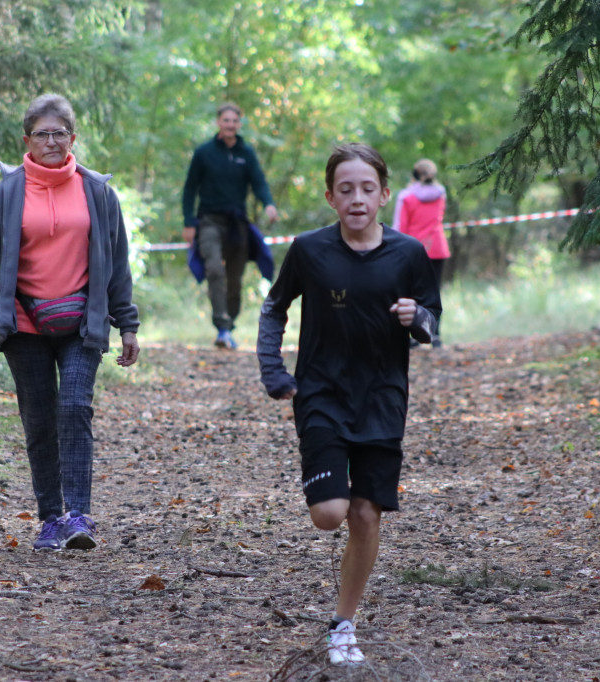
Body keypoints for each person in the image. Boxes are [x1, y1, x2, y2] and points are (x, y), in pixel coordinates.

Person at [257, 143, 441, 666]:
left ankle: (344, 624)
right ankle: (341, 618)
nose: (356, 198)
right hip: (321, 395)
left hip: (384, 399)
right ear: (330, 197)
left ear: (385, 194)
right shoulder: (310, 250)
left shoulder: (408, 254)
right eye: (345, 189)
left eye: (366, 188)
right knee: (329, 513)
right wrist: (274, 371)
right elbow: (274, 308)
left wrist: (417, 317)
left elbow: (433, 321)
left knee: (365, 513)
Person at [0, 93, 140, 552]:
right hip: (24, 324)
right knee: (39, 420)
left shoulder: (97, 192)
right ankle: (50, 519)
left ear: (73, 138)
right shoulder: (7, 192)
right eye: (42, 133)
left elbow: (117, 264)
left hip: (83, 323)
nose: (52, 141)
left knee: (75, 408)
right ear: (26, 140)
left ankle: (79, 515)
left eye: (60, 133)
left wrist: (128, 325)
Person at [181, 102, 279, 350]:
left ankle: (229, 326)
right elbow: (190, 189)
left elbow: (259, 182)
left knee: (235, 279)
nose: (230, 125)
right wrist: (188, 222)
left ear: (239, 124)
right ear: (218, 123)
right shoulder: (204, 153)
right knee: (214, 268)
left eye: (234, 121)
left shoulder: (247, 153)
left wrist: (268, 203)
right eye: (226, 120)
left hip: (237, 224)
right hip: (209, 221)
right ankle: (221, 325)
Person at [391, 158, 449, 347]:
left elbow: (400, 227)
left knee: (409, 292)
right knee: (435, 293)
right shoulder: (441, 194)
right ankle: (436, 335)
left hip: (413, 249)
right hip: (437, 247)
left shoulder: (406, 197)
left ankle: (414, 336)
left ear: (414, 175)